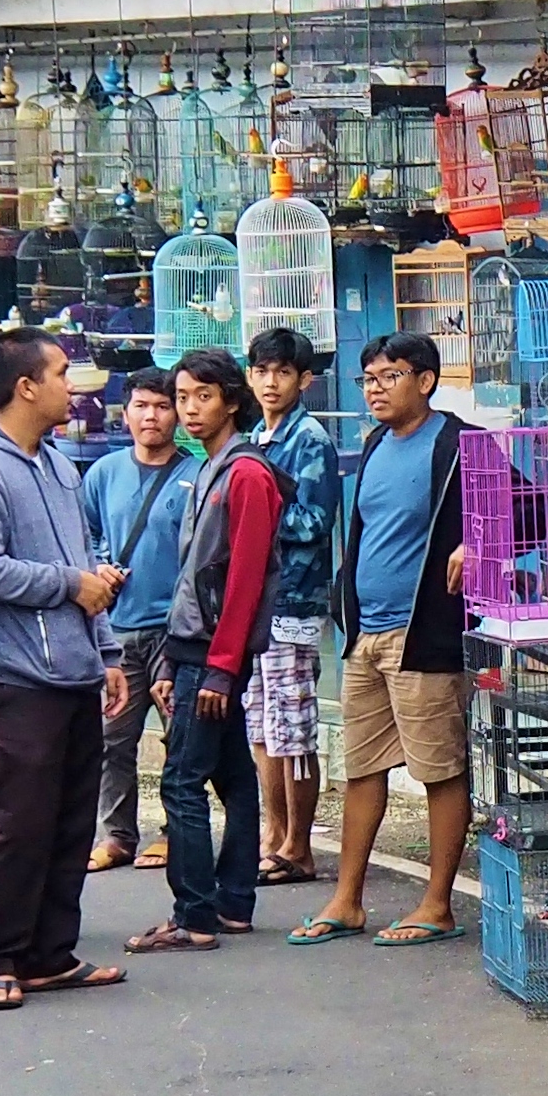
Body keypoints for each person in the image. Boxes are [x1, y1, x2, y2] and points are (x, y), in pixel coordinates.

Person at [0, 328, 130, 1011]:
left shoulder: (57, 465)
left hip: (74, 671)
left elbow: (84, 567)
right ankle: (0, 960)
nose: (71, 387)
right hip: (10, 677)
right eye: (59, 374)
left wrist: (106, 652)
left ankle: (51, 955)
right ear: (25, 387)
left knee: (71, 822)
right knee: (20, 822)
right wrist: (68, 585)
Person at [294, 333, 477, 947]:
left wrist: (477, 545)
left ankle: (437, 905)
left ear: (425, 381)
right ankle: (346, 901)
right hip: (365, 634)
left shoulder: (460, 441)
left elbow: (534, 509)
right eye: (367, 379)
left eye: (389, 376)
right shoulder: (374, 443)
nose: (375, 389)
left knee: (439, 769)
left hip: (424, 634)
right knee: (363, 768)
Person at [127, 349, 290, 954]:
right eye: (182, 397)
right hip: (195, 648)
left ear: (230, 400)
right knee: (233, 776)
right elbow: (195, 574)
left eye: (202, 396)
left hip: (215, 655)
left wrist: (220, 668)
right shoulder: (210, 468)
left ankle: (194, 915)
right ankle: (233, 902)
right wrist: (174, 657)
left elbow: (245, 579)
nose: (189, 409)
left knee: (181, 781)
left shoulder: (245, 473)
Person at [80, 370, 199, 872]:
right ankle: (116, 835)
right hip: (118, 630)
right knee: (113, 739)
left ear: (178, 414)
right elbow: (80, 537)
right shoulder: (102, 473)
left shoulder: (196, 475)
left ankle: (175, 833)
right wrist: (97, 566)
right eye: (141, 406)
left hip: (176, 632)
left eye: (162, 406)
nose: (151, 416)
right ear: (125, 414)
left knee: (180, 741)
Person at [244, 326, 340, 885]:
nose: (271, 382)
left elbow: (314, 522)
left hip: (294, 602)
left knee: (294, 729)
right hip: (256, 603)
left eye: (283, 372)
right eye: (262, 371)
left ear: (304, 380)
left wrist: (257, 511)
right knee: (262, 727)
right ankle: (273, 835)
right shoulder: (256, 436)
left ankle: (299, 846)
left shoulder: (310, 440)